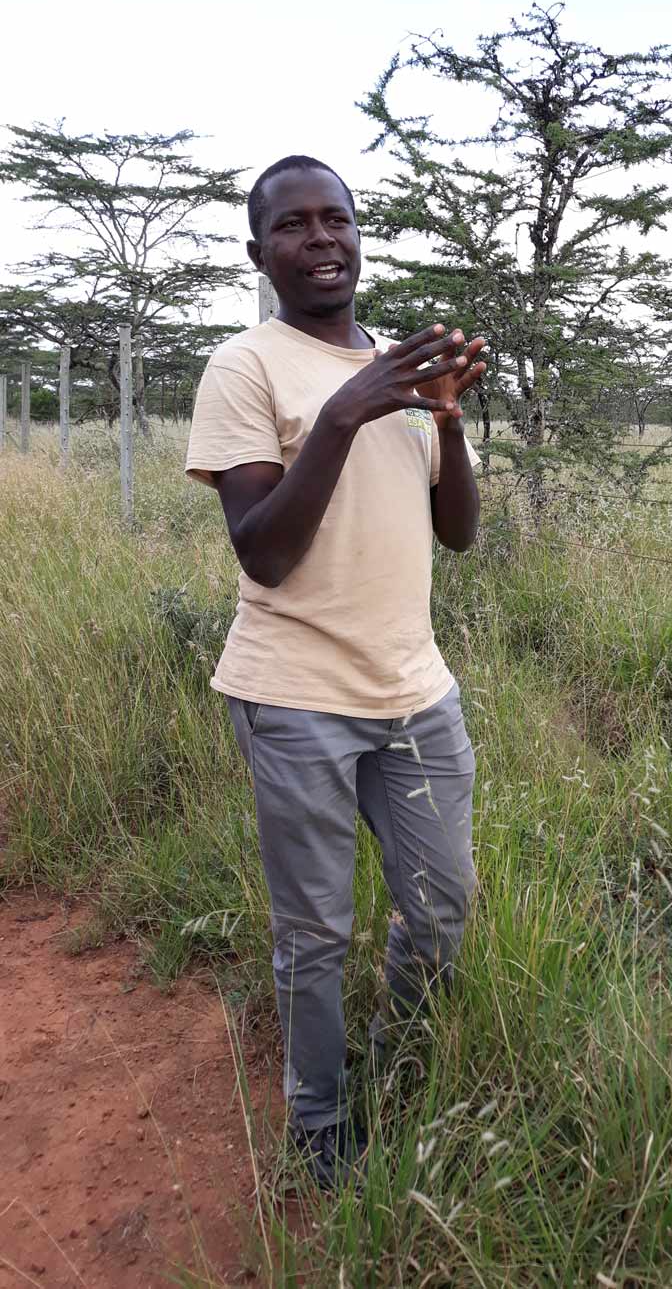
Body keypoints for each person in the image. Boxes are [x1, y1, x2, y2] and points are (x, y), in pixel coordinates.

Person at [184, 155, 486, 1189]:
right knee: (316, 930)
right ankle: (319, 1124)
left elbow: (459, 536)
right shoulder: (247, 368)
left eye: (337, 220)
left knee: (441, 905)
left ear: (360, 235)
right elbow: (263, 549)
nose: (321, 239)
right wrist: (349, 409)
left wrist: (444, 415)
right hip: (295, 698)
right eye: (294, 225)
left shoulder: (400, 368)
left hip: (415, 691)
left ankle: (403, 1067)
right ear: (259, 251)